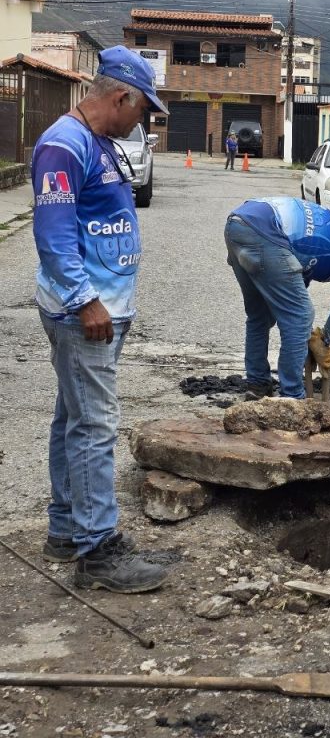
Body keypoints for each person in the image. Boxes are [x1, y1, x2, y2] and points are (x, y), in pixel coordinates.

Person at [32, 45, 171, 594]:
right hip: (82, 314)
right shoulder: (64, 146)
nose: (145, 120)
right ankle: (98, 550)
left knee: (72, 418)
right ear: (120, 97)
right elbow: (53, 235)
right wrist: (85, 300)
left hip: (101, 310)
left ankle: (67, 529)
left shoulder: (99, 143)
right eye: (144, 111)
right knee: (94, 426)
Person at [225, 196, 330, 400]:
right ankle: (292, 396)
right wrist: (324, 338)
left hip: (239, 223)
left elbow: (296, 285)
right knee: (301, 316)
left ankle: (257, 385)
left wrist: (306, 336)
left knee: (260, 315)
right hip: (267, 231)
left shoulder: (329, 248)